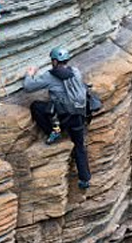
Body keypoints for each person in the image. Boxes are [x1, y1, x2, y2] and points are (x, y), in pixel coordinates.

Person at [24, 48, 92, 190]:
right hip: (79, 116)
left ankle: (53, 132)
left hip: (62, 118)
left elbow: (28, 87)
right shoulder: (76, 71)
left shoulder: (50, 76)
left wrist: (30, 74)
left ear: (54, 61)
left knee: (36, 106)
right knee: (79, 146)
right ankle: (84, 180)